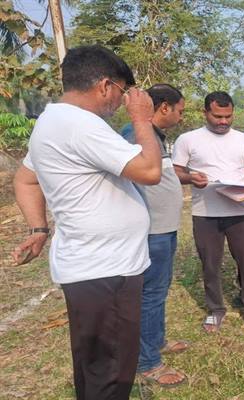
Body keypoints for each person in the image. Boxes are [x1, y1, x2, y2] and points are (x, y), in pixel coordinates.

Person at [12, 45, 161, 399]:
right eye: (123, 92)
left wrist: (39, 229)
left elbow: (26, 179)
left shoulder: (53, 121)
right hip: (106, 271)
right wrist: (142, 120)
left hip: (94, 269)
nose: (122, 102)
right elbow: (150, 170)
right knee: (111, 374)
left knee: (97, 369)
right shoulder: (82, 125)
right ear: (106, 86)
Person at [172, 91, 244, 334]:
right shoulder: (188, 139)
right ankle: (215, 309)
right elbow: (175, 172)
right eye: (217, 116)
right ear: (205, 113)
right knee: (210, 265)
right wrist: (191, 178)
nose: (223, 121)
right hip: (205, 213)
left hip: (241, 212)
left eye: (228, 116)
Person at [121, 83, 187, 387]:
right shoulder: (135, 134)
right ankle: (147, 362)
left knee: (159, 291)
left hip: (164, 229)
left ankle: (157, 341)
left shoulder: (155, 136)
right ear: (164, 108)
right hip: (151, 232)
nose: (181, 117)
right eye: (180, 111)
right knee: (149, 295)